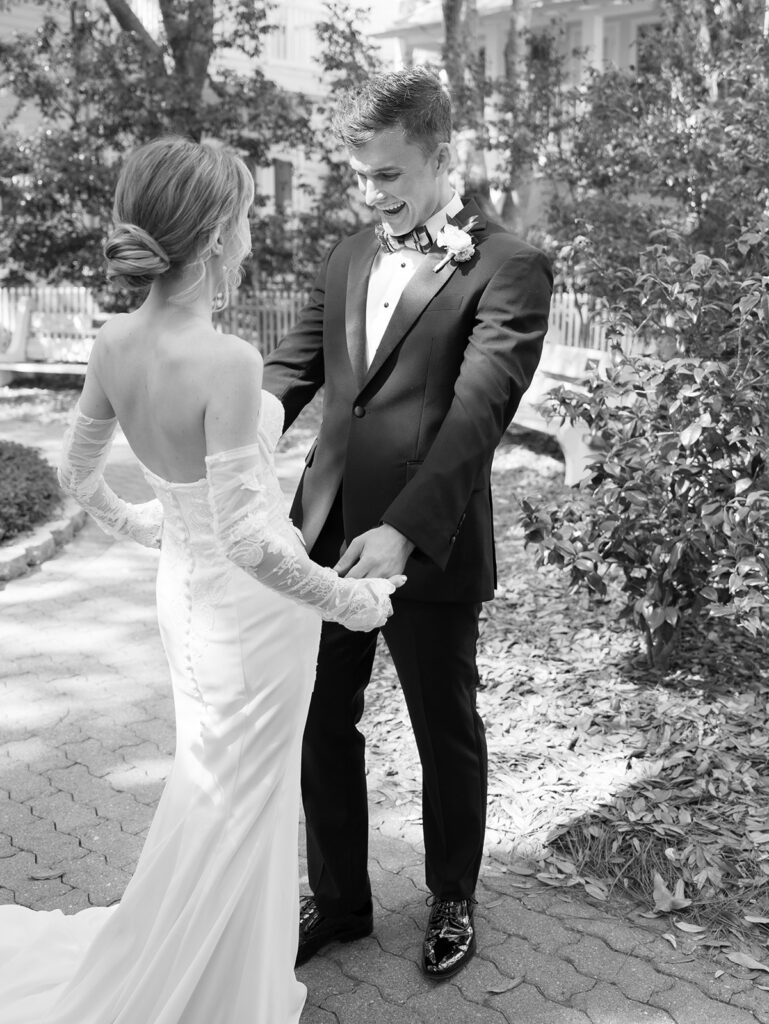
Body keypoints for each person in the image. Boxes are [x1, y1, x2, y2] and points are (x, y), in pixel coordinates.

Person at [0, 136, 402, 1024]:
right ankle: (213, 989)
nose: (252, 233)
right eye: (248, 214)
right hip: (250, 625)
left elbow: (79, 476)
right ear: (217, 232)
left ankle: (214, 967)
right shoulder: (226, 362)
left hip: (186, 601)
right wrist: (354, 603)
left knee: (213, 786)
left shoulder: (113, 342)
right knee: (239, 800)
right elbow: (254, 545)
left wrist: (159, 528)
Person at [262, 66, 553, 981]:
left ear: (440, 157)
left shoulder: (508, 265)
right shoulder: (348, 255)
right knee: (319, 724)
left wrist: (402, 531)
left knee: (442, 727)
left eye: (390, 175)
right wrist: (227, 445)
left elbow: (477, 418)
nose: (374, 193)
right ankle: (341, 901)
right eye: (363, 175)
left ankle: (453, 898)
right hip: (324, 540)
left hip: (425, 547)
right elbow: (292, 373)